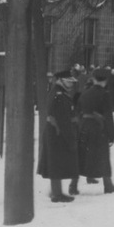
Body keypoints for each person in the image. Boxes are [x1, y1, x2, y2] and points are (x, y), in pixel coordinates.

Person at [78, 68, 114, 193]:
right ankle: (108, 185)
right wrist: (112, 135)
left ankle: (80, 181)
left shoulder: (85, 93)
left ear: (93, 79)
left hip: (85, 126)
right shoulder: (105, 94)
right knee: (103, 156)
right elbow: (108, 116)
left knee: (85, 154)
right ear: (105, 81)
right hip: (99, 128)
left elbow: (79, 110)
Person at [37, 69, 79, 203]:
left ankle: (56, 191)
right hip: (57, 133)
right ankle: (57, 194)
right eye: (68, 81)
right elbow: (63, 120)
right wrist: (70, 138)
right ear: (60, 81)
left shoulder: (58, 93)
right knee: (55, 164)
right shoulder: (59, 95)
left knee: (56, 163)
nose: (71, 84)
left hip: (55, 132)